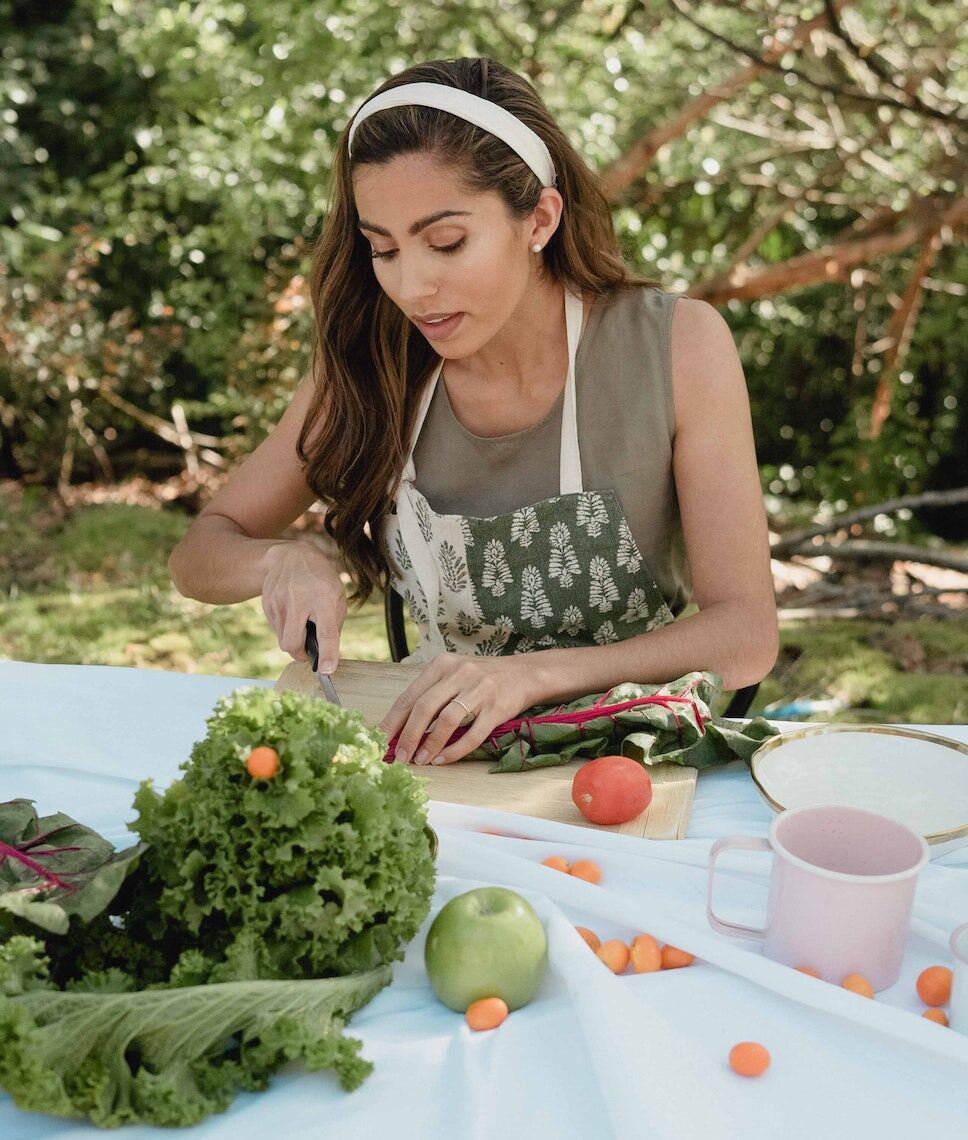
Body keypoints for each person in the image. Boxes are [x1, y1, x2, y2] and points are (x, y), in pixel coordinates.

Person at [168, 56, 778, 768]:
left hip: (632, 762)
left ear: (539, 219)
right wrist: (283, 560)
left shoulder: (676, 346)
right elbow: (199, 555)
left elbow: (746, 633)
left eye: (447, 242)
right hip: (451, 763)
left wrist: (533, 676)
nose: (413, 287)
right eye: (382, 250)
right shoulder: (372, 367)